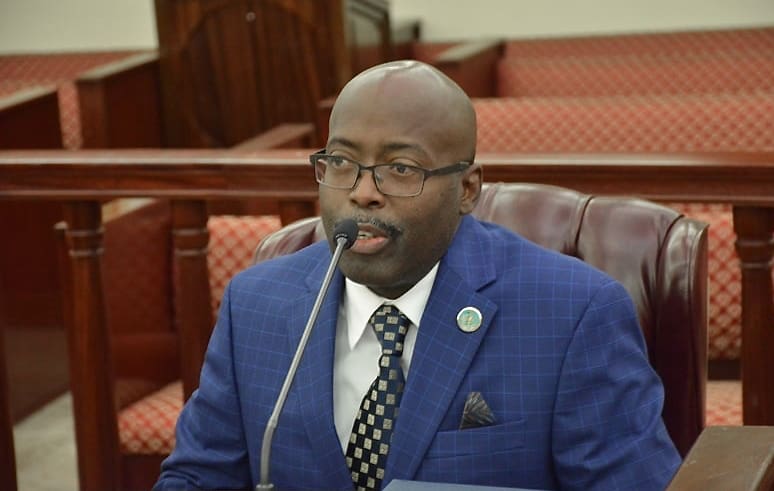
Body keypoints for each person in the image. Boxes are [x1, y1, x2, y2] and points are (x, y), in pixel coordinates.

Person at [154, 60, 681, 491]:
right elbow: (198, 477)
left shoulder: (572, 315)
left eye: (401, 169)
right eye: (340, 163)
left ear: (468, 189)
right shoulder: (258, 304)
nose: (362, 192)